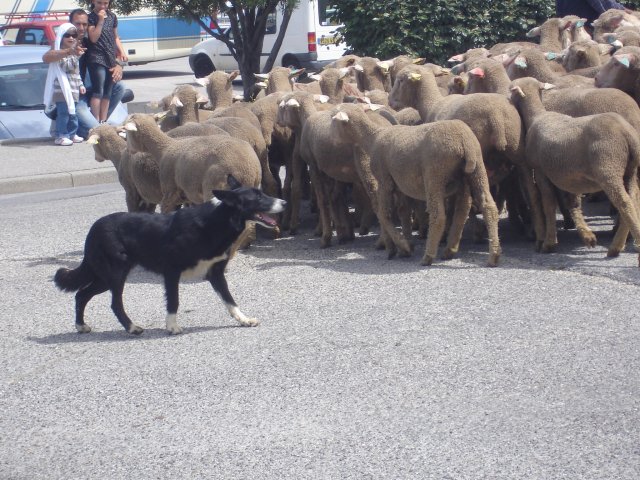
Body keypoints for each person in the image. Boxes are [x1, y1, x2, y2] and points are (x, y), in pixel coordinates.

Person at [42, 8, 129, 139]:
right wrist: (69, 51)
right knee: (94, 131)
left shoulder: (93, 39)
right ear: (70, 23)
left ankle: (99, 122)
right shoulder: (65, 41)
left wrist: (119, 66)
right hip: (75, 94)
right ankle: (88, 128)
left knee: (120, 86)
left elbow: (112, 54)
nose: (81, 28)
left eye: (85, 24)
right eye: (78, 24)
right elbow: (46, 58)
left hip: (93, 91)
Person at [43, 23, 85, 146]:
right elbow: (66, 67)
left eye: (73, 35)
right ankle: (61, 135)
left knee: (73, 113)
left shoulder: (74, 52)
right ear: (61, 36)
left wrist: (81, 85)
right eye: (67, 35)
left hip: (74, 90)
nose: (71, 38)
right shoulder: (59, 53)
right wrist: (75, 56)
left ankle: (72, 134)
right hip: (62, 90)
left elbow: (77, 73)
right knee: (64, 113)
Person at [87, 0, 127, 123]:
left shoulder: (112, 16)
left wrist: (122, 51)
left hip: (110, 56)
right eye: (99, 3)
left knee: (107, 92)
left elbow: (115, 36)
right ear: (93, 2)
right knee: (98, 90)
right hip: (96, 57)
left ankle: (103, 120)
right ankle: (95, 121)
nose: (103, 6)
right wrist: (100, 20)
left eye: (106, 3)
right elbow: (93, 38)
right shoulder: (91, 17)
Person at [556, 0, 633, 26]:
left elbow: (559, 12)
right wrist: (631, 13)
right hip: (588, 31)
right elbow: (607, 8)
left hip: (568, 28)